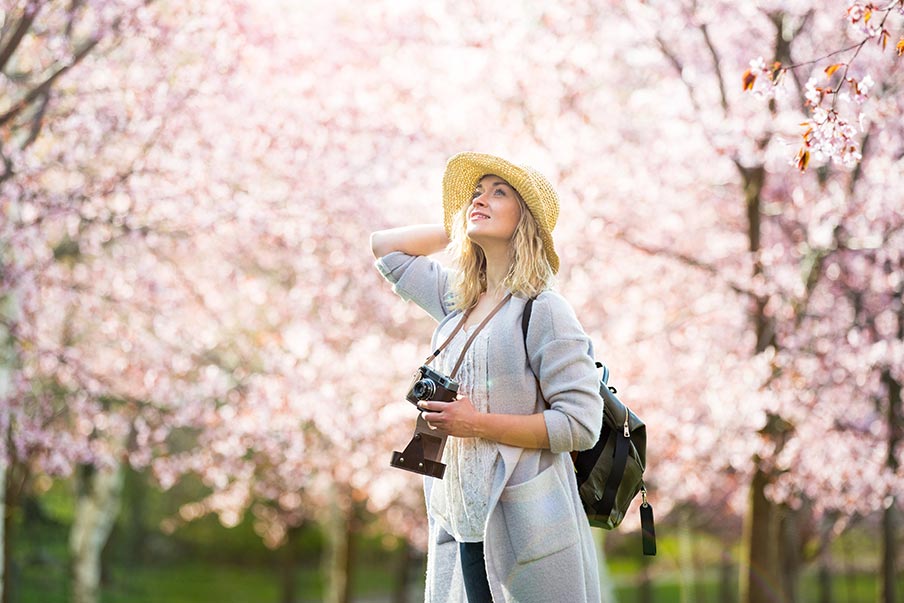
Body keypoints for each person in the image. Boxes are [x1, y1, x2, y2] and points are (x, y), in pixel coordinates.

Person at [371, 152, 603, 602]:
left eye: (500, 193)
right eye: (476, 193)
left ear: (525, 220)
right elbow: (384, 248)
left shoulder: (543, 309)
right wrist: (461, 224)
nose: (481, 198)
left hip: (525, 526)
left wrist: (476, 424)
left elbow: (580, 424)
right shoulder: (458, 298)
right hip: (460, 522)